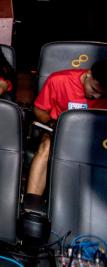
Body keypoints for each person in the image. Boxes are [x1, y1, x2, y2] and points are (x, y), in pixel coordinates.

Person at [26, 60, 107, 195]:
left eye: (103, 95)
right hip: (60, 131)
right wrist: (52, 123)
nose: (96, 97)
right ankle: (32, 202)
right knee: (46, 145)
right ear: (88, 74)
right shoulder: (59, 79)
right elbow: (39, 109)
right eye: (94, 90)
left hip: (96, 136)